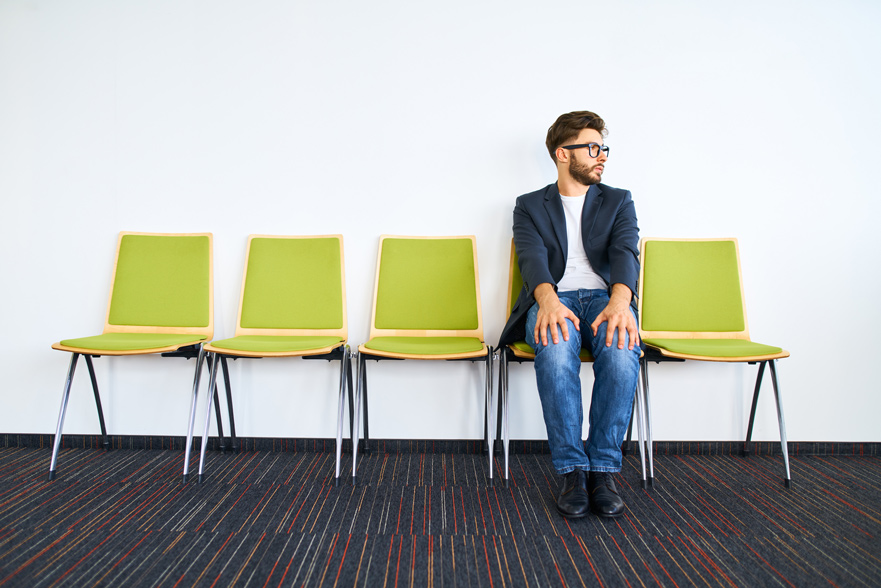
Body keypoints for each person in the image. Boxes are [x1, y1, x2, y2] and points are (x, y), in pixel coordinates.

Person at [498, 111, 641, 519]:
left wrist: (620, 302)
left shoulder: (619, 200)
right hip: (553, 299)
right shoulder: (529, 206)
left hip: (605, 298)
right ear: (563, 154)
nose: (602, 157)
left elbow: (625, 253)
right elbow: (532, 260)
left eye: (603, 148)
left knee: (619, 348)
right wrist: (547, 301)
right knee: (557, 351)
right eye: (592, 148)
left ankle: (603, 470)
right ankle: (572, 471)